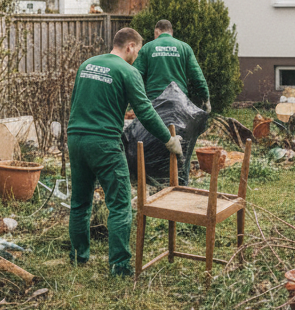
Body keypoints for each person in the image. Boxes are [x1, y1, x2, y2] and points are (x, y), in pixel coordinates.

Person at [67, 27, 183, 276]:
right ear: (130, 46)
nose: (137, 56)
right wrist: (169, 139)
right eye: (138, 51)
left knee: (79, 202)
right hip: (105, 143)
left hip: (76, 138)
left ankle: (79, 255)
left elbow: (76, 100)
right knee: (120, 203)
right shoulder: (127, 71)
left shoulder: (86, 65)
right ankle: (119, 265)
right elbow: (145, 111)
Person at [133, 19, 211, 110]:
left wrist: (134, 102)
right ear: (171, 32)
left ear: (156, 32)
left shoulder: (147, 48)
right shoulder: (185, 48)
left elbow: (135, 76)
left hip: (154, 103)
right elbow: (197, 76)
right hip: (179, 102)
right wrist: (205, 98)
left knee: (157, 124)